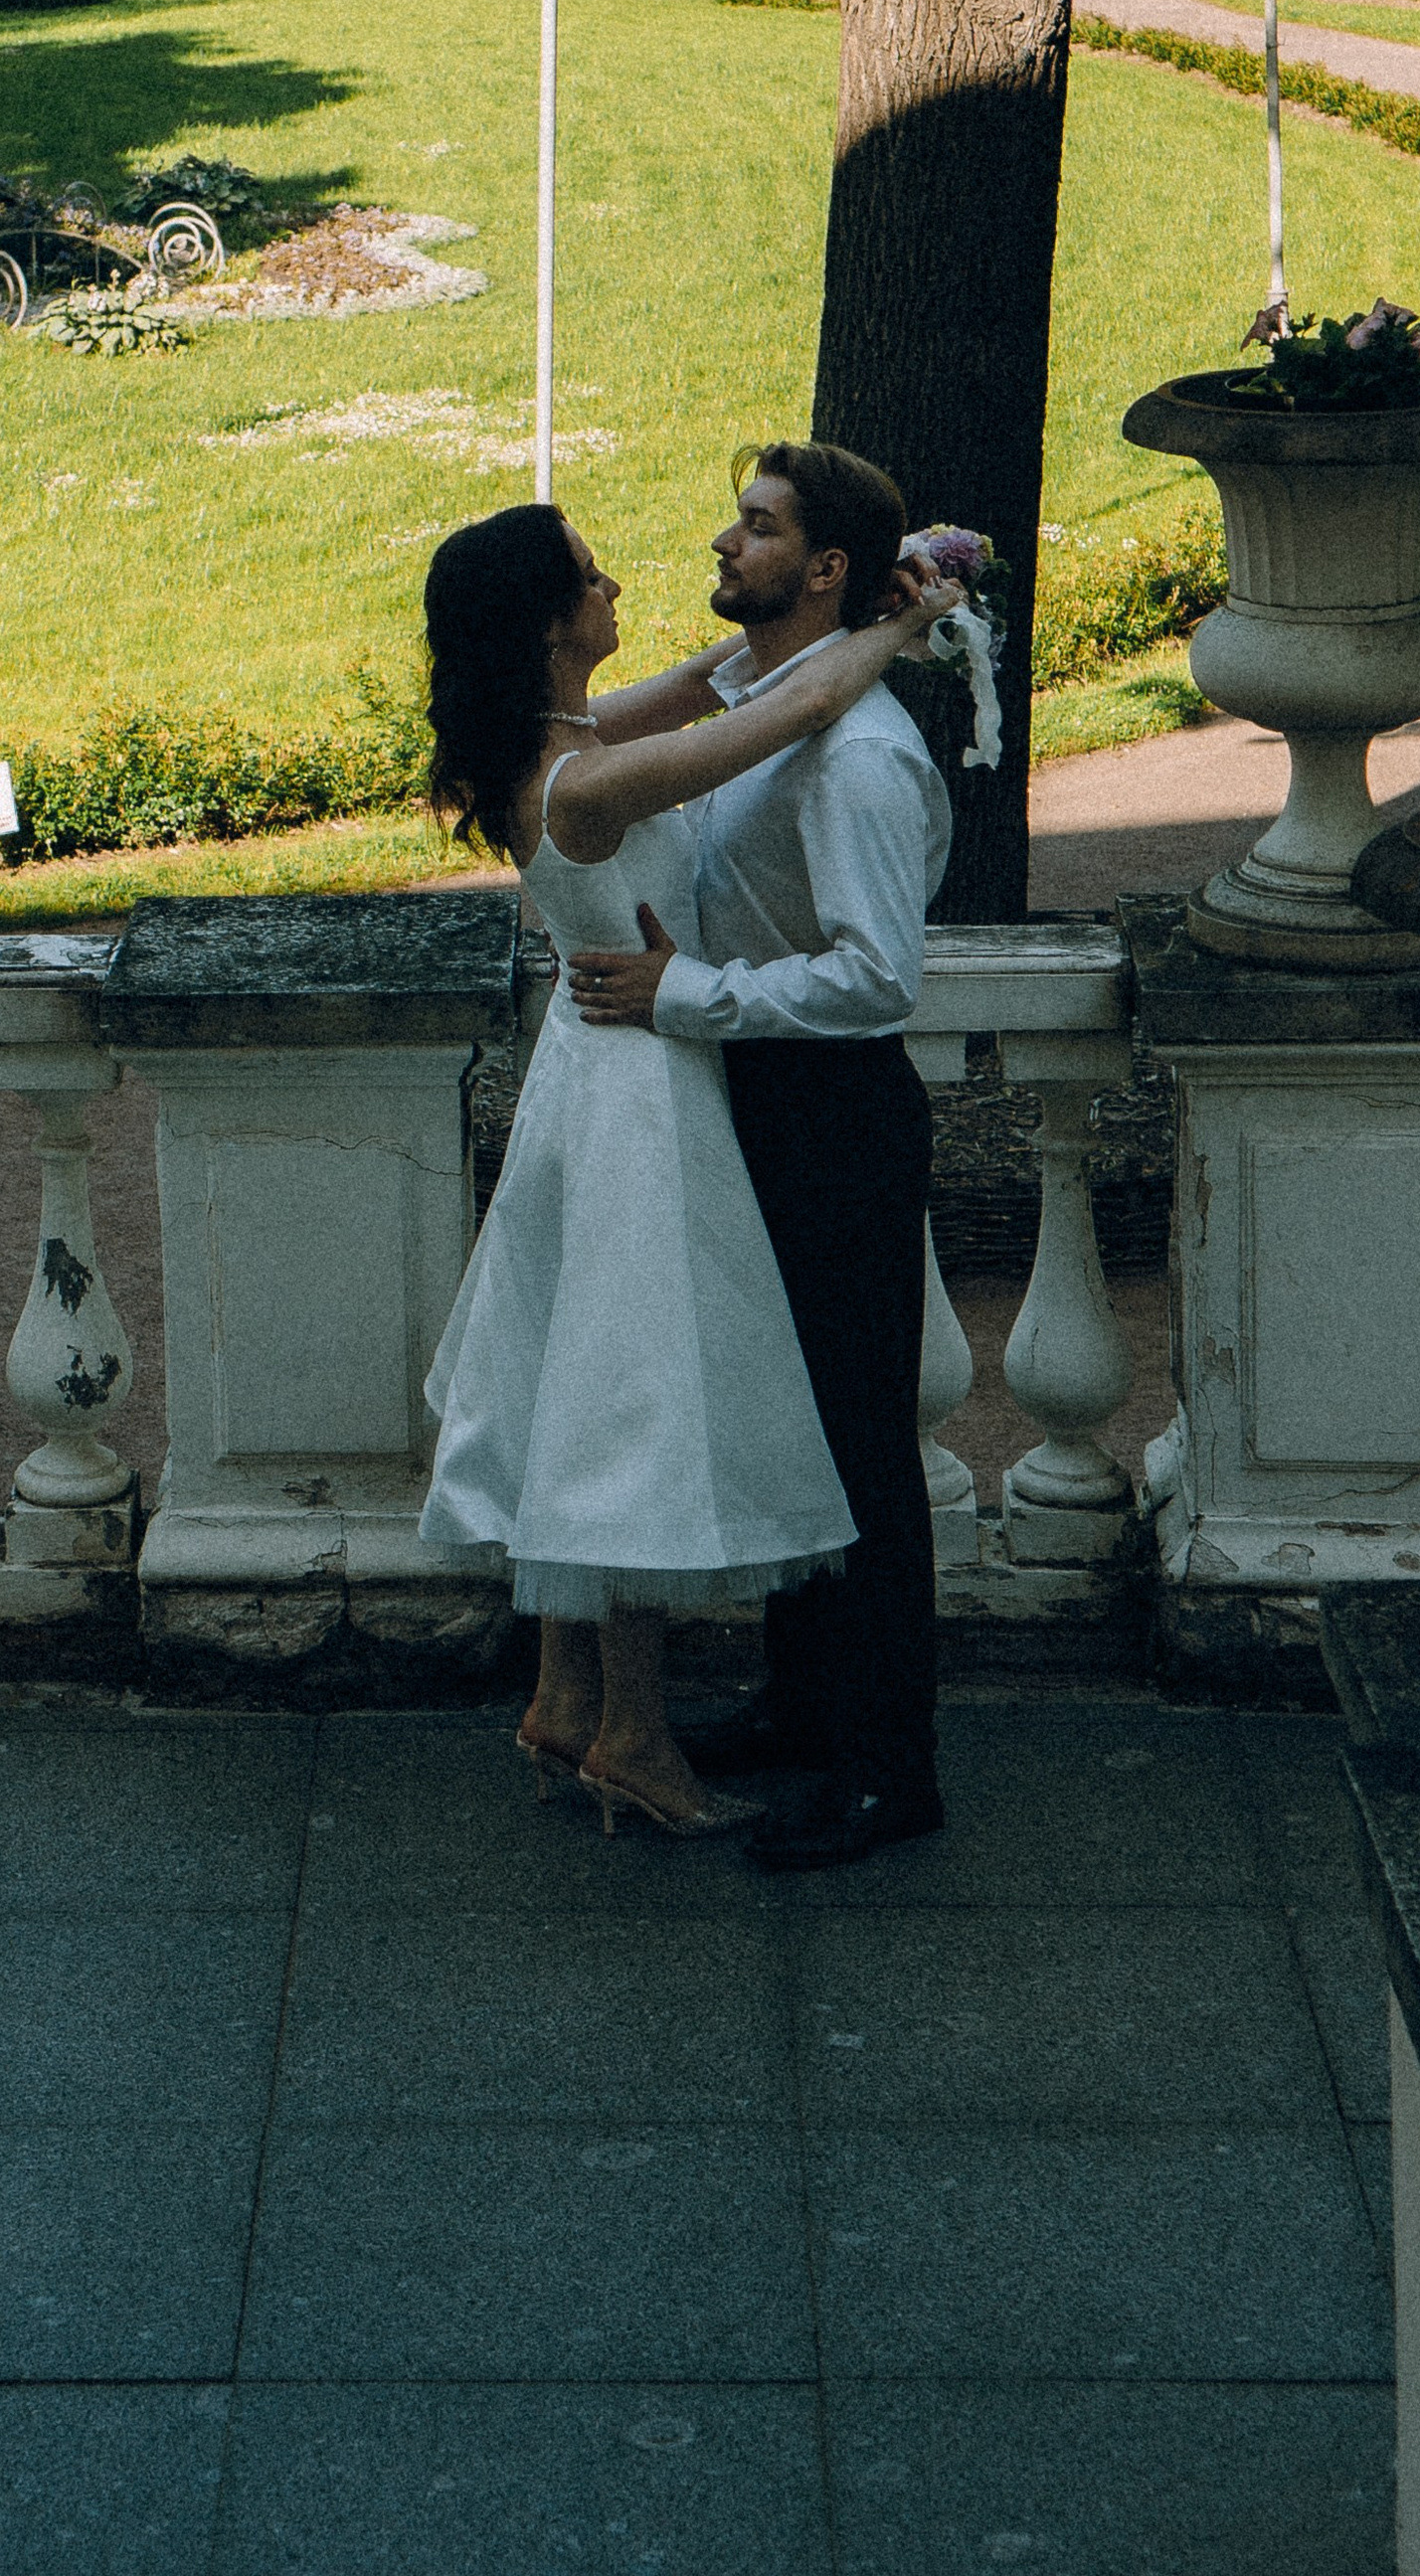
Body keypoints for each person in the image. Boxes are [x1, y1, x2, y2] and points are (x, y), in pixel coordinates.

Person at [418, 500, 962, 1838]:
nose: (618, 585)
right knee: (636, 1403)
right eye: (593, 579)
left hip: (584, 1075)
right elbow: (778, 712)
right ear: (554, 626)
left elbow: (733, 676)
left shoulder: (555, 746)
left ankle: (568, 1700)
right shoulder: (592, 778)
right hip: (643, 1087)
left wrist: (839, 602)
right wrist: (912, 614)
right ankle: (636, 1739)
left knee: (574, 1386)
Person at [569, 441, 955, 1872]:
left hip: (833, 1113)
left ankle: (886, 1769)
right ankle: (803, 1709)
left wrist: (691, 998)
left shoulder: (855, 758)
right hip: (755, 1103)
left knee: (858, 1447)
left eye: (758, 528)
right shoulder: (759, 699)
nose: (727, 546)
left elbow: (877, 979)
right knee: (784, 1422)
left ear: (828, 569)